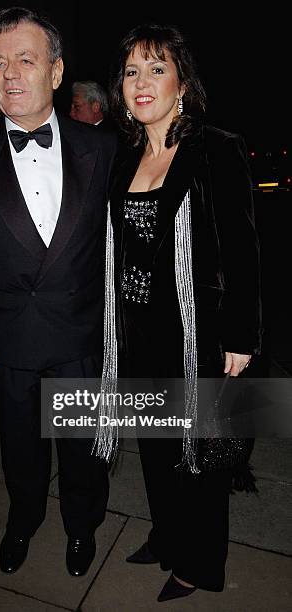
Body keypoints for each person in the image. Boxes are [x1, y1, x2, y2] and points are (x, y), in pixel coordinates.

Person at [0, 7, 116, 577]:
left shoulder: (102, 148)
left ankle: (82, 527)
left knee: (84, 452)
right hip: (7, 339)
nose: (9, 74)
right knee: (20, 451)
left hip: (81, 334)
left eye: (25, 59)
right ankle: (24, 520)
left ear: (57, 72)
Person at [105, 23, 262, 602]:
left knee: (198, 457)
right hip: (139, 331)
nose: (141, 82)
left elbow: (243, 252)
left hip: (198, 333)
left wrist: (242, 338)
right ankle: (168, 537)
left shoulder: (215, 147)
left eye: (156, 68)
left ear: (182, 82)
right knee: (155, 448)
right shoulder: (126, 157)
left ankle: (199, 562)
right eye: (130, 71)